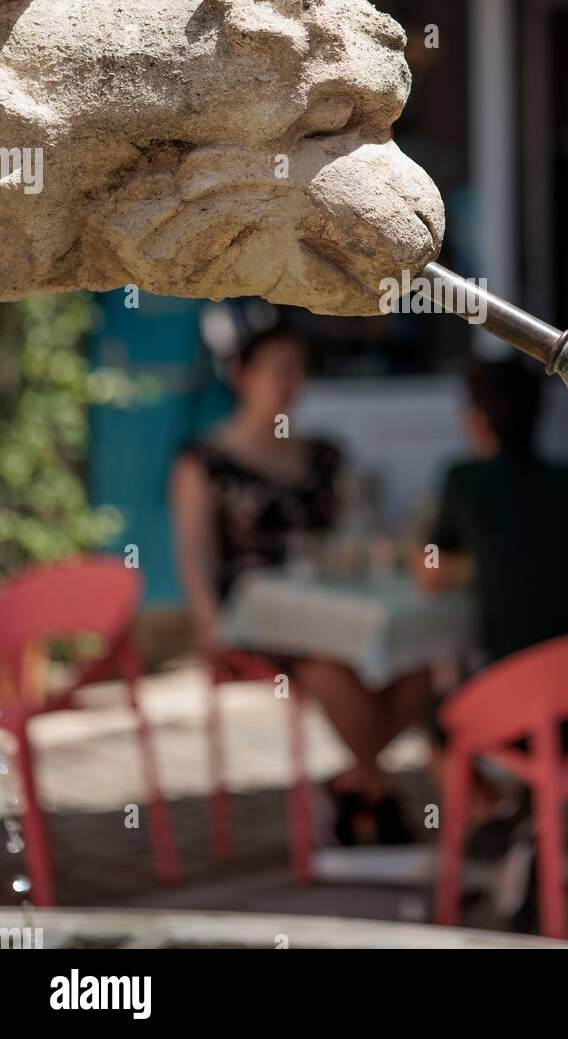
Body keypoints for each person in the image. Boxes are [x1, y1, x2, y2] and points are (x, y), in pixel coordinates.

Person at [170, 324, 430, 844]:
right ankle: (372, 787)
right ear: (244, 376)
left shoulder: (325, 454)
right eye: (278, 371)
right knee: (332, 674)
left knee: (415, 669)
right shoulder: (205, 461)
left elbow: (361, 529)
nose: (291, 383)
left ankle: (359, 781)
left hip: (336, 610)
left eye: (299, 371)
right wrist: (207, 623)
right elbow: (195, 551)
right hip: (260, 618)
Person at [415, 358, 568, 779]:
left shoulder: (464, 481)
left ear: (476, 420)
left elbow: (430, 574)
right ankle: (519, 817)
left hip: (525, 717)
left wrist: (478, 562)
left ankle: (490, 815)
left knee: (435, 714)